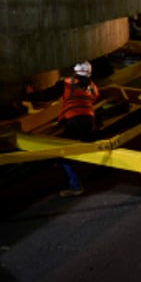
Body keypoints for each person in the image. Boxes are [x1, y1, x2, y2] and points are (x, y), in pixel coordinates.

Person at [56, 61, 101, 197]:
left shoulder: (67, 82)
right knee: (88, 147)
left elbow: (46, 95)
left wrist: (30, 93)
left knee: (62, 153)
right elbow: (95, 97)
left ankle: (75, 186)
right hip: (89, 121)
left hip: (74, 121)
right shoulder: (92, 86)